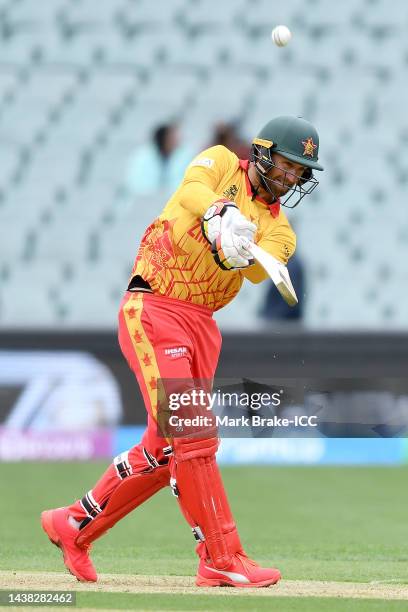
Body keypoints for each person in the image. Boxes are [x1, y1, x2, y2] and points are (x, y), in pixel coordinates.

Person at [41, 115, 323, 588]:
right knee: (193, 434)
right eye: (285, 164)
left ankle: (73, 525)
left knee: (167, 446)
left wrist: (238, 248)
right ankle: (221, 555)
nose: (290, 177)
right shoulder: (218, 162)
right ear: (261, 152)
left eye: (300, 172)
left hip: (202, 326)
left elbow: (253, 272)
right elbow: (191, 190)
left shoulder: (281, 234)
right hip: (155, 305)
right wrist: (220, 215)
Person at [124, 122, 192, 196]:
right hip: (146, 199)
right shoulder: (143, 158)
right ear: (164, 139)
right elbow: (139, 184)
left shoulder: (184, 156)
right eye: (172, 137)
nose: (177, 140)